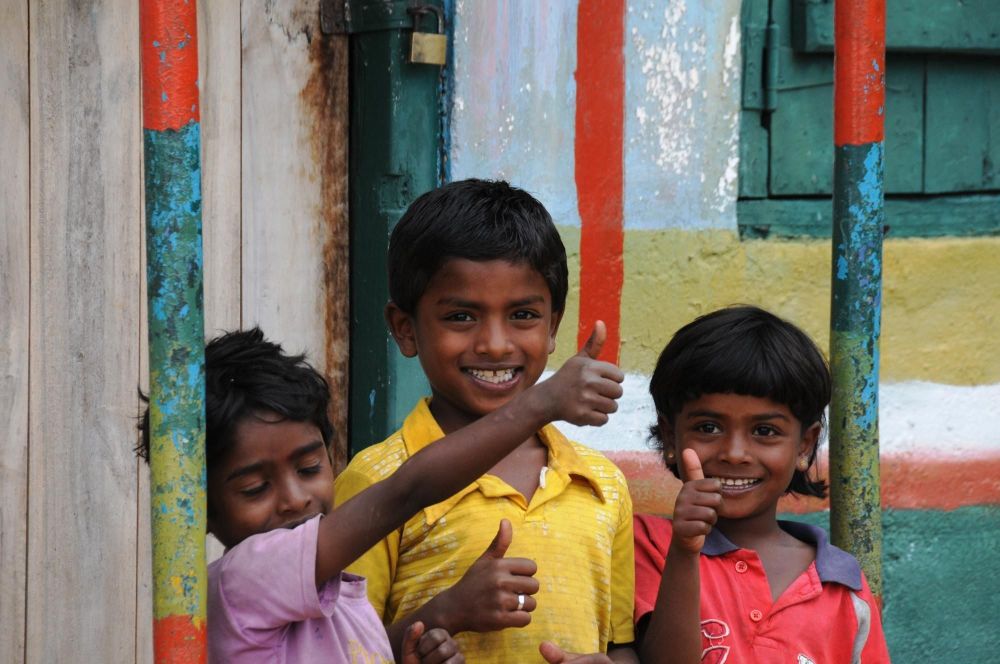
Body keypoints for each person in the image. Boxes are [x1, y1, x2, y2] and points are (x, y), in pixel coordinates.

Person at [137, 324, 622, 663]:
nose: (294, 499)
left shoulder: (335, 591)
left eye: (309, 467)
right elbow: (406, 491)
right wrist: (540, 403)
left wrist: (436, 624)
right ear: (197, 508)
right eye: (254, 487)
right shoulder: (242, 581)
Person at [334, 179, 638, 663]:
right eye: (461, 316)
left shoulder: (602, 485)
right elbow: (333, 650)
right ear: (405, 329)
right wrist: (443, 613)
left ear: (553, 325)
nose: (495, 344)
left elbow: (622, 646)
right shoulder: (378, 480)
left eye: (522, 315)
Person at [634, 306, 890, 663]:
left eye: (764, 431)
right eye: (709, 427)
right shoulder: (644, 545)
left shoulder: (844, 587)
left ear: (805, 445)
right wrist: (684, 551)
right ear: (670, 437)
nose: (735, 454)